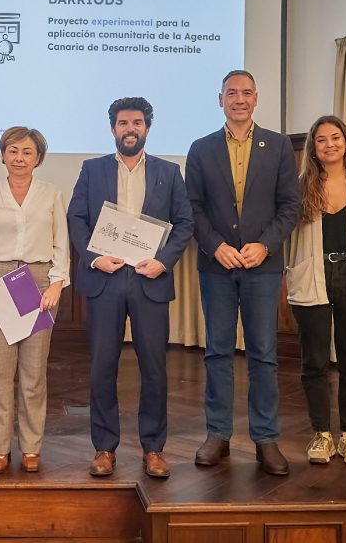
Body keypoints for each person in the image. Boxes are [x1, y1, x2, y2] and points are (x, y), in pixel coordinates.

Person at [67, 97, 193, 478]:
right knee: (102, 367)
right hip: (105, 278)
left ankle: (153, 448)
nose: (130, 129)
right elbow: (76, 218)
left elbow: (185, 223)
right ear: (113, 129)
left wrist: (163, 261)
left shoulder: (169, 173)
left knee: (154, 368)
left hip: (148, 279)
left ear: (147, 129)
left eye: (137, 122)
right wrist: (93, 257)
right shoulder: (92, 170)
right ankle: (104, 448)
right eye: (123, 123)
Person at [185, 70, 300, 476]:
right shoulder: (200, 149)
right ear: (220, 100)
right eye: (231, 93)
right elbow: (192, 208)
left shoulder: (280, 146)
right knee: (217, 351)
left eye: (246, 93)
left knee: (263, 355)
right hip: (216, 267)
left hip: (262, 267)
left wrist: (264, 244)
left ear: (256, 99)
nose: (239, 99)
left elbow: (290, 206)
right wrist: (215, 245)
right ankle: (218, 434)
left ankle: (266, 439)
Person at [0, 127, 70, 474]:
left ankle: (31, 447)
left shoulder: (51, 194)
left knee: (33, 373)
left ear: (38, 157)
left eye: (27, 152)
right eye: (13, 151)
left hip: (39, 284)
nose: (20, 158)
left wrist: (56, 284)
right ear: (2, 155)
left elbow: (61, 245)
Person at [285, 116, 346, 467]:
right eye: (321, 139)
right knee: (314, 360)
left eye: (335, 137)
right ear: (313, 147)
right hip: (313, 275)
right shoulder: (299, 186)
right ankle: (322, 434)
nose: (329, 144)